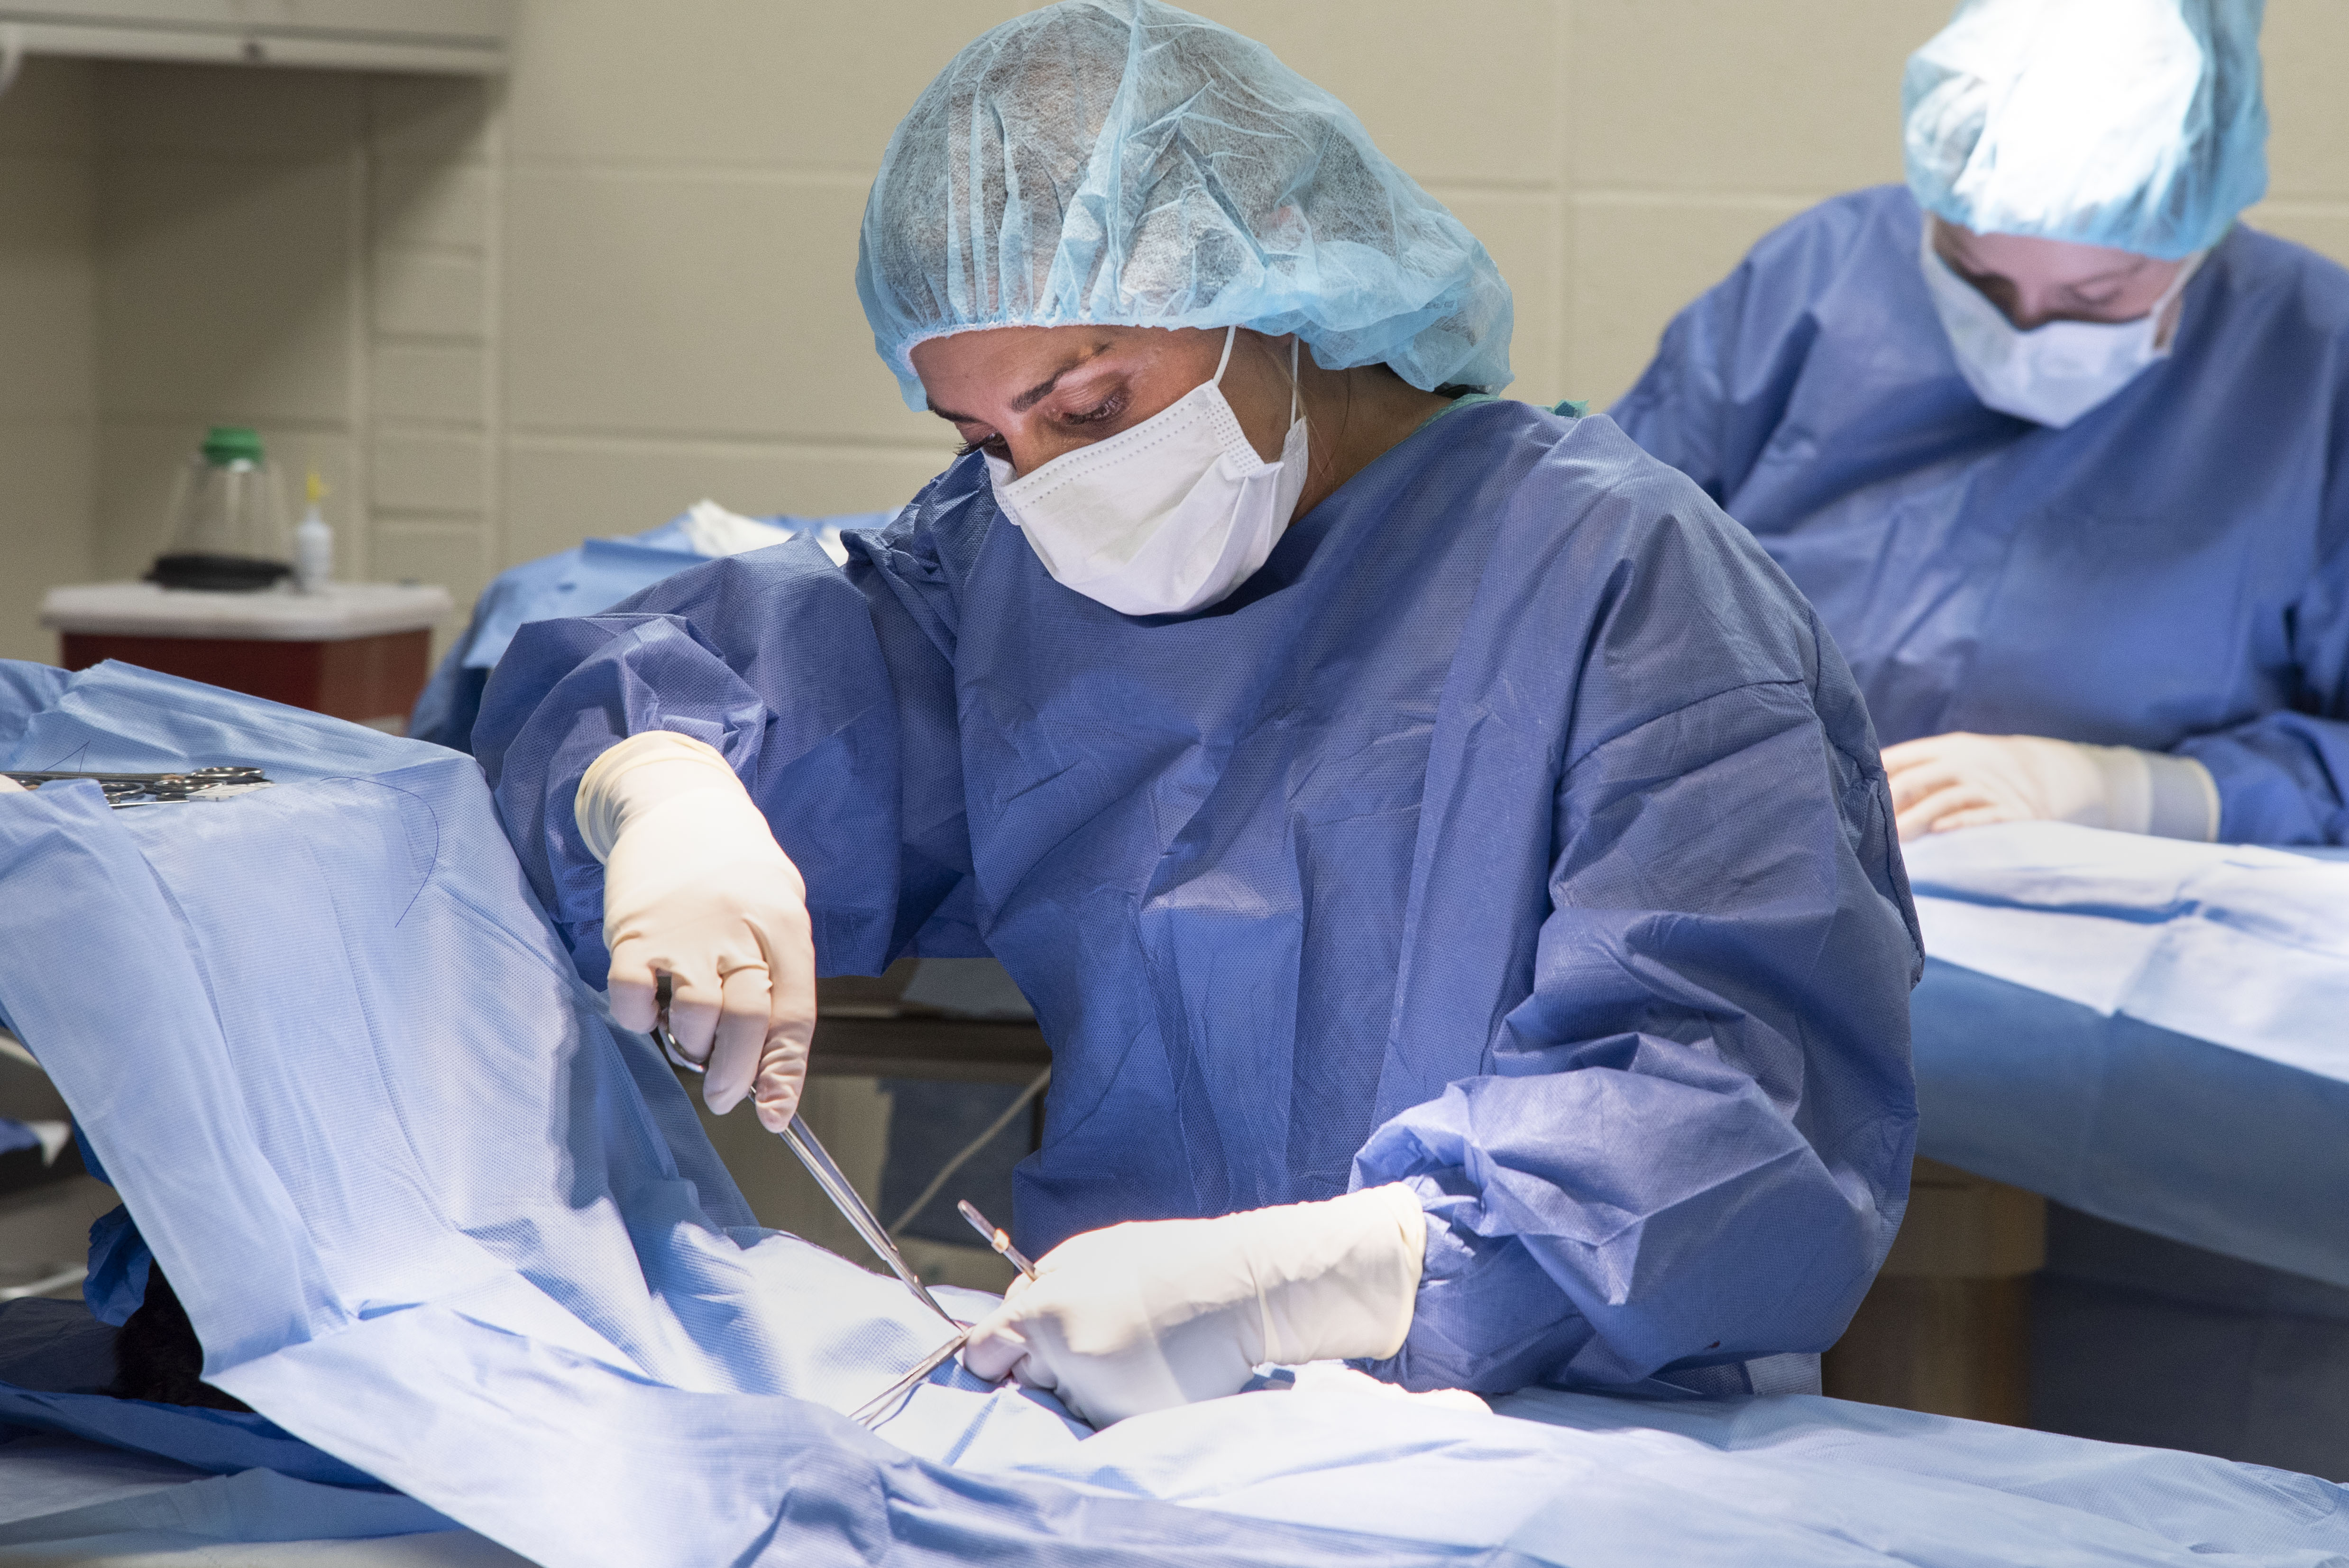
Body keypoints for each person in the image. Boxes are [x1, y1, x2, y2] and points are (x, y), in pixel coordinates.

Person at [475, 0, 1921, 1427]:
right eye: (986, 438)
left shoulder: (1627, 581)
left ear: (1277, 297)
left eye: (1088, 408)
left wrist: (1293, 1284)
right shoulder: (1001, 570)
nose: (1039, 481)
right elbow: (697, 682)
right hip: (1122, 1422)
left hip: (1569, 1425)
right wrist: (662, 791)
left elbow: (1726, 1117)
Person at [1613, 0, 2349, 846]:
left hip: (2144, 932)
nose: (2026, 327)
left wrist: (2128, 794)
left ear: (2201, 229)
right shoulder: (1811, 284)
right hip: (1767, 870)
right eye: (1978, 280)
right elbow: (1607, 595)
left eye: (2095, 297)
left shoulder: (2314, 362)